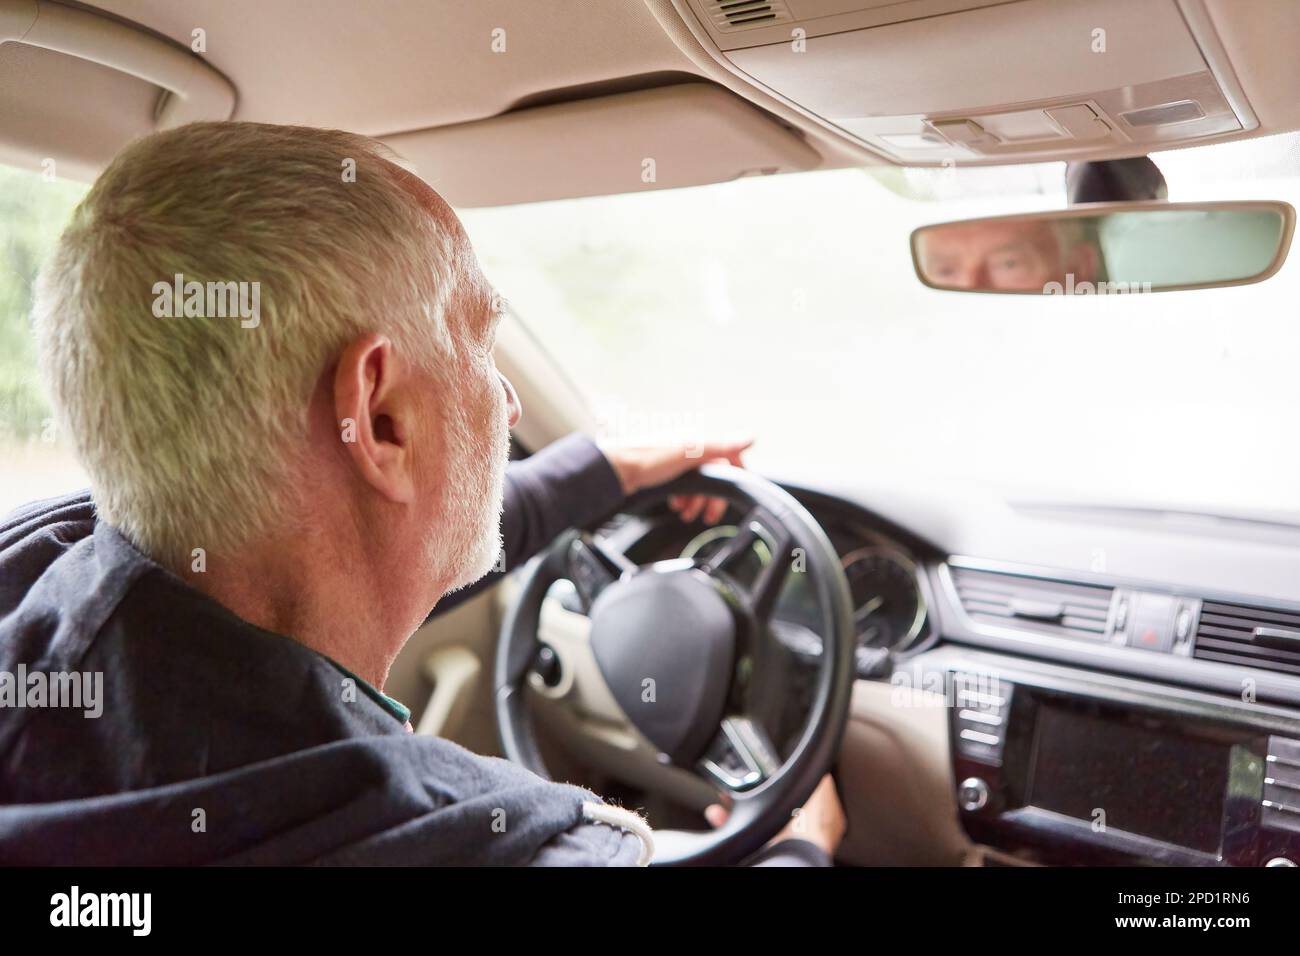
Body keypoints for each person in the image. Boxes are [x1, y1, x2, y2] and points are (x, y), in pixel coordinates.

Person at [0, 122, 843, 865]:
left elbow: (356, 534)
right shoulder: (505, 849)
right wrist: (805, 846)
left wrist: (598, 469)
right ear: (380, 417)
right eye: (481, 344)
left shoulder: (34, 584)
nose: (510, 404)